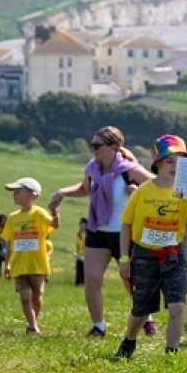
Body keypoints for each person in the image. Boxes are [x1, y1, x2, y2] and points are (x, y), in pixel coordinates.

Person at [48, 126, 156, 338]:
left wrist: (136, 192)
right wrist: (62, 193)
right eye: (92, 145)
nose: (93, 149)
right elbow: (84, 189)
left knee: (130, 280)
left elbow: (159, 187)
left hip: (126, 233)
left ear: (113, 147)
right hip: (98, 230)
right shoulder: (92, 168)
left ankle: (147, 317)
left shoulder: (130, 170)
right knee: (92, 279)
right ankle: (98, 326)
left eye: (97, 145)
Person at [115, 135, 187, 358]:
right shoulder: (143, 191)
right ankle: (129, 341)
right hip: (144, 256)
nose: (174, 166)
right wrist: (123, 259)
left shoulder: (186, 191)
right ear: (157, 163)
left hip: (175, 255)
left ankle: (171, 353)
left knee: (178, 306)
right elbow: (126, 224)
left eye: (180, 161)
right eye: (169, 160)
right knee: (141, 311)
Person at [1, 177, 60, 334]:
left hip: (37, 264)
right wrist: (7, 264)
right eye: (14, 192)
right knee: (24, 297)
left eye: (18, 191)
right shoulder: (13, 218)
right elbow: (9, 243)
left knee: (37, 297)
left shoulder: (39, 213)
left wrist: (55, 212)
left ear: (32, 195)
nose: (14, 195)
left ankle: (33, 323)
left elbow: (54, 224)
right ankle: (33, 326)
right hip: (18, 264)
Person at [75, 217, 87, 286]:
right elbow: (77, 246)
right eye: (81, 224)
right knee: (79, 271)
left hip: (88, 257)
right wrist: (77, 255)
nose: (82, 225)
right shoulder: (78, 235)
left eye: (84, 224)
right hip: (80, 256)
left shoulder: (90, 234)